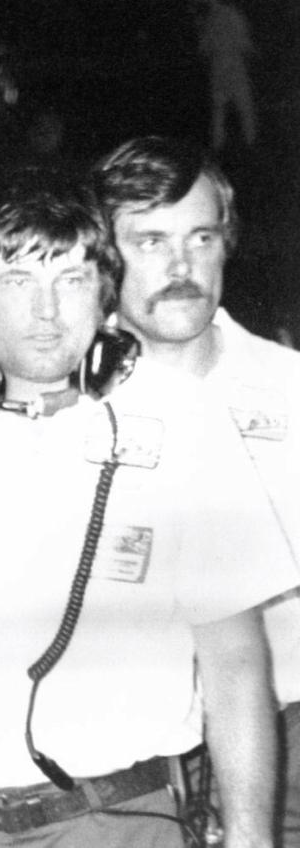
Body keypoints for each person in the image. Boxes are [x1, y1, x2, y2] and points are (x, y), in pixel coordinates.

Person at [0, 168, 295, 848]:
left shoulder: (186, 422)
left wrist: (252, 837)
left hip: (120, 824)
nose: (47, 312)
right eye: (17, 280)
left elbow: (236, 661)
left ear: (103, 295)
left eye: (71, 279)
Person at [93, 135, 300, 848]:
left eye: (201, 237)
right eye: (150, 241)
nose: (181, 267)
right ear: (103, 256)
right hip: (128, 768)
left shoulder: (290, 388)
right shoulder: (60, 403)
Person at [188, 0, 258, 151]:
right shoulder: (230, 14)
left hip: (222, 67)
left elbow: (204, 49)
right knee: (242, 108)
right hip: (233, 66)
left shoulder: (210, 19)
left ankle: (221, 147)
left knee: (221, 110)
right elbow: (245, 43)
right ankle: (249, 143)